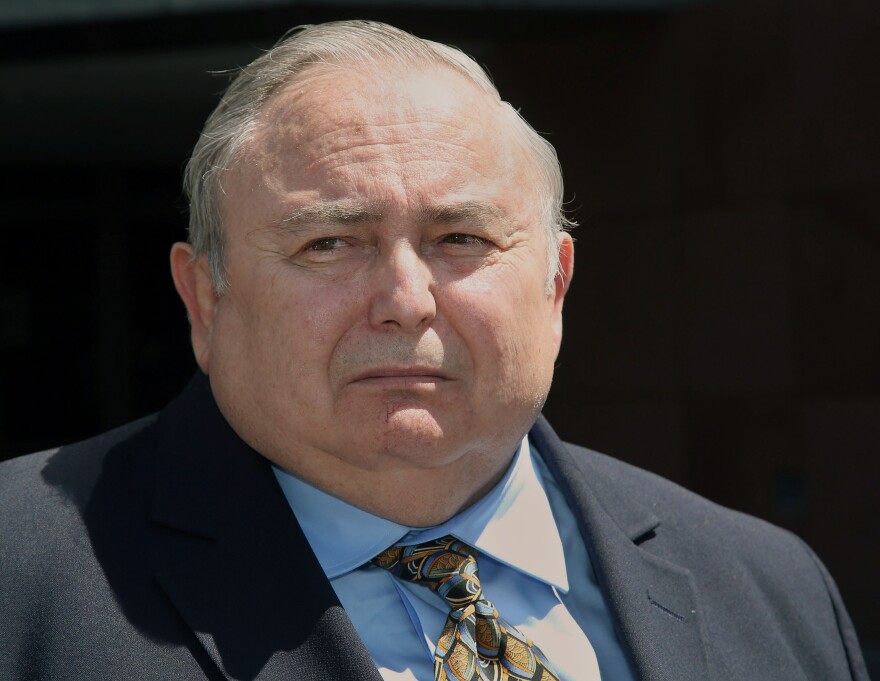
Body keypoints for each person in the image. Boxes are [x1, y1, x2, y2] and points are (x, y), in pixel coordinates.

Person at [0, 20, 869, 681]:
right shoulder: (20, 579)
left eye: (460, 237)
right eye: (331, 243)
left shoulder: (772, 592)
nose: (407, 300)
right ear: (205, 299)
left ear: (555, 286)